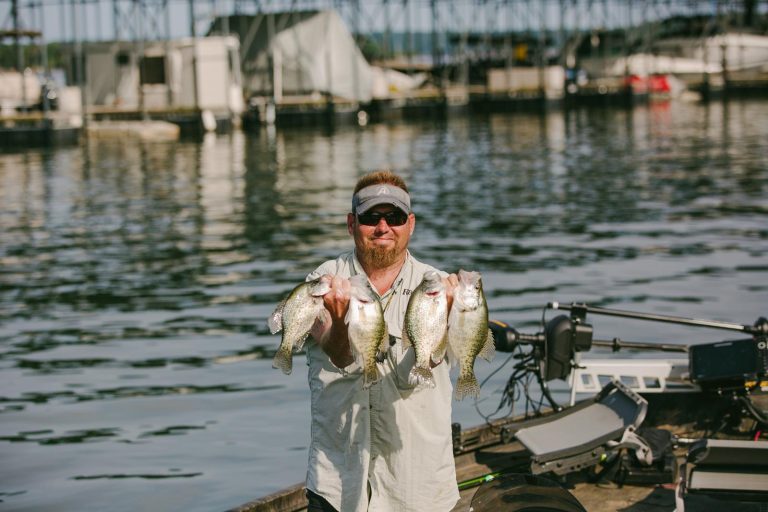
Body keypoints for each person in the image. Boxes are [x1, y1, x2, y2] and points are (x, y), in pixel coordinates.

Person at [303, 170, 460, 512]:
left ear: (411, 224)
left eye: (395, 217)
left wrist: (444, 317)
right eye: (371, 217)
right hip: (338, 485)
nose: (383, 227)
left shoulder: (438, 285)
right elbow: (337, 355)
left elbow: (431, 362)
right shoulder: (324, 280)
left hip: (419, 490)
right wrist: (341, 321)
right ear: (351, 223)